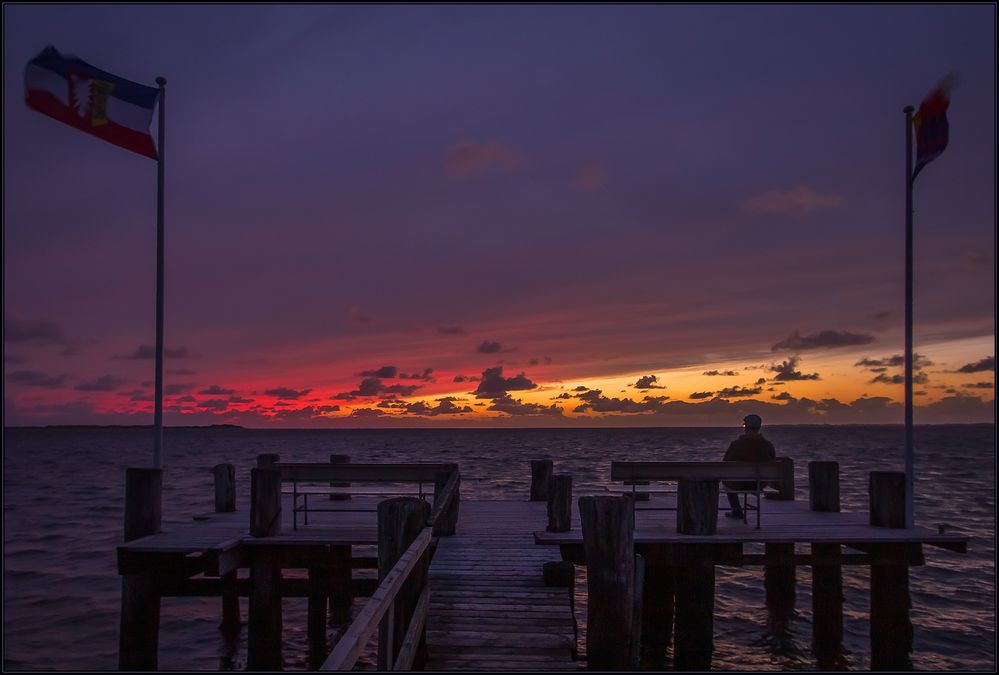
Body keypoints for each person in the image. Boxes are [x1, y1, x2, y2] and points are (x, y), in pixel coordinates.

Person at [722, 413, 776, 518]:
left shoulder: (736, 445)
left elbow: (725, 463)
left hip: (737, 484)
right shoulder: (768, 445)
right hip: (759, 484)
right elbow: (772, 461)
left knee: (726, 484)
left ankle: (737, 511)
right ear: (759, 428)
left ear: (745, 427)